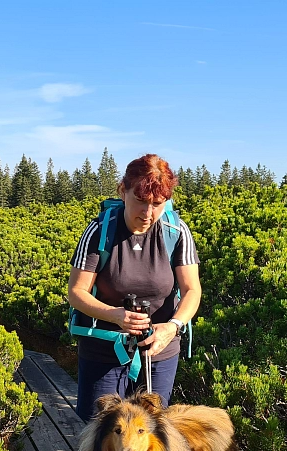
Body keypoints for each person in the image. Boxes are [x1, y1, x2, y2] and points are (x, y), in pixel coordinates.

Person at [68, 154, 201, 421]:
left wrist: (172, 326)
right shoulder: (99, 232)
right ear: (123, 191)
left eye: (157, 204)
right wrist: (115, 315)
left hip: (158, 351)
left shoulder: (176, 232)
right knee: (101, 433)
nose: (148, 213)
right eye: (140, 201)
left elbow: (192, 291)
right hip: (104, 349)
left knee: (150, 433)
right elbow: (76, 292)